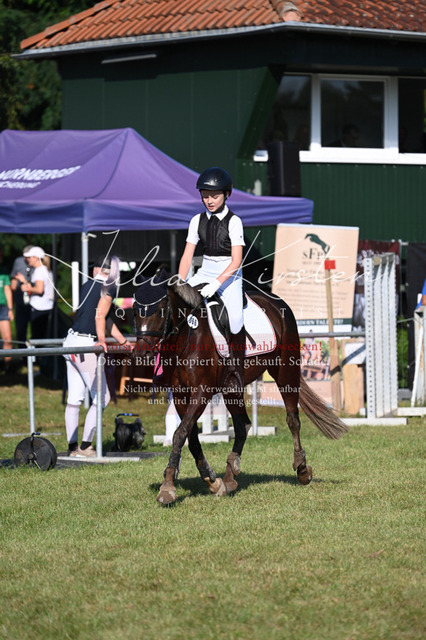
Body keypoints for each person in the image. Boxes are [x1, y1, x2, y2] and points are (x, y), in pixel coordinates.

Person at [178, 166, 246, 392]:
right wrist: (180, 282)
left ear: (226, 194)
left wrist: (217, 283)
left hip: (230, 274)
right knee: (180, 308)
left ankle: (235, 369)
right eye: (205, 196)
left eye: (214, 196)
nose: (209, 201)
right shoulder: (196, 220)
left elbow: (237, 260)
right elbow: (187, 255)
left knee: (235, 318)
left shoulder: (234, 221)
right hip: (205, 269)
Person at [63, 255, 130, 457]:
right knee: (102, 397)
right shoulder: (109, 287)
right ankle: (85, 446)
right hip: (85, 344)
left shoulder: (88, 285)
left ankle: (73, 448)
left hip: (71, 342)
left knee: (74, 399)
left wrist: (122, 341)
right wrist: (102, 339)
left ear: (98, 269)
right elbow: (99, 315)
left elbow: (105, 318)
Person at [14, 246, 54, 342]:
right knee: (40, 336)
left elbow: (39, 290)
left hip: (39, 308)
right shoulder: (45, 269)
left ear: (36, 258)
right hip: (44, 307)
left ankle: (35, 353)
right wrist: (25, 282)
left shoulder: (39, 270)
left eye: (30, 257)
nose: (28, 260)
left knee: (37, 338)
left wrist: (27, 288)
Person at [10, 245, 34, 351]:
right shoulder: (18, 261)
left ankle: (35, 353)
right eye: (24, 256)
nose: (26, 259)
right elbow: (13, 278)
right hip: (20, 296)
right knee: (20, 327)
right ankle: (22, 354)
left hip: (34, 296)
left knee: (35, 327)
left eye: (28, 256)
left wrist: (25, 281)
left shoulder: (37, 263)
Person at [0, 246, 14, 372]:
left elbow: (7, 290)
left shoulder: (3, 271)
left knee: (7, 339)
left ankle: (8, 366)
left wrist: (10, 309)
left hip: (3, 307)